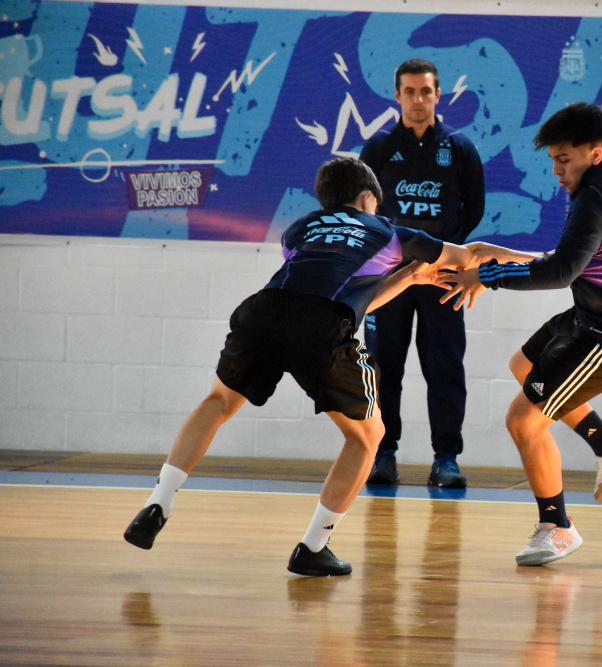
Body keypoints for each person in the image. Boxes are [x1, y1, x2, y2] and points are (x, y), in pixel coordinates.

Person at [123, 157, 473, 576]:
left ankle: (158, 500)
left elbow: (335, 291)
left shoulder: (299, 229)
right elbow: (461, 258)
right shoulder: (389, 231)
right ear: (368, 198)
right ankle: (313, 547)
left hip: (263, 310)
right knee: (368, 437)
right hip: (321, 324)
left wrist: (406, 280)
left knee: (218, 401)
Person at [439, 102, 602, 566]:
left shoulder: (595, 199)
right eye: (552, 159)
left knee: (523, 420)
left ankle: (558, 527)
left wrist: (486, 277)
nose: (555, 170)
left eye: (563, 160)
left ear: (594, 152)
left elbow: (561, 272)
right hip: (597, 310)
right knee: (523, 365)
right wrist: (492, 252)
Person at [359, 58, 485, 489]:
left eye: (426, 91)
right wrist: (393, 256)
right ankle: (382, 453)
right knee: (381, 366)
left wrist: (443, 255)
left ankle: (446, 459)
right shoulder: (377, 148)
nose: (417, 99)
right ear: (397, 96)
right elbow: (363, 210)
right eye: (409, 91)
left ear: (438, 95)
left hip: (444, 276)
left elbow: (475, 207)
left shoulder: (460, 147)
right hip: (388, 276)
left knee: (445, 365)